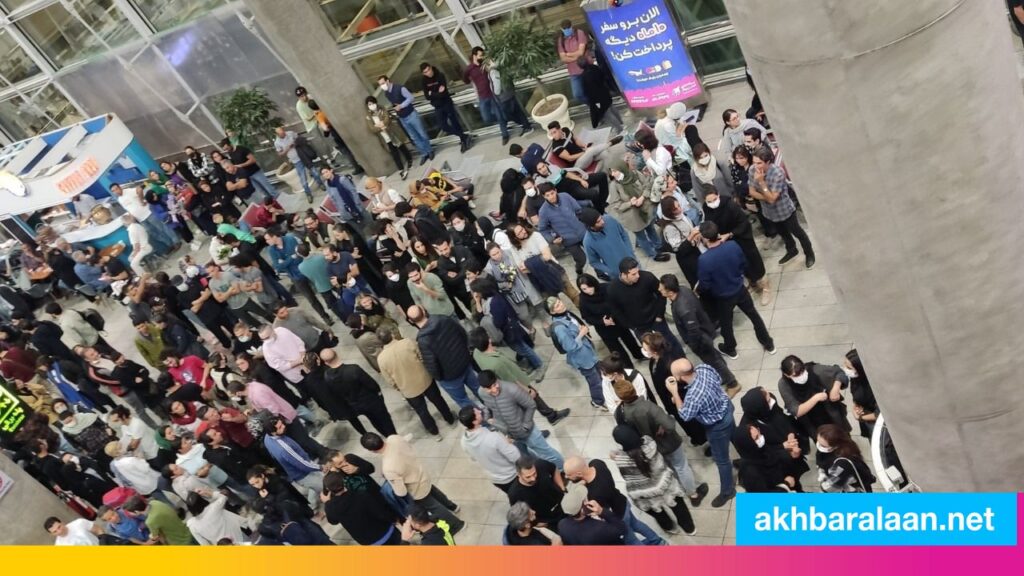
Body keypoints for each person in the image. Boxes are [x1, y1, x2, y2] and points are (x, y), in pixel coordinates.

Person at [612, 378, 707, 507]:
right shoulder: (648, 407)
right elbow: (669, 425)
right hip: (668, 444)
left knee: (669, 467)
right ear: (633, 389)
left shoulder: (623, 413)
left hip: (650, 449)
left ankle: (678, 490)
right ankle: (693, 494)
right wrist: (670, 419)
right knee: (681, 467)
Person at [696, 221, 776, 358]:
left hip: (722, 296)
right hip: (739, 288)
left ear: (706, 238)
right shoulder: (733, 246)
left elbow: (705, 285)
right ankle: (768, 343)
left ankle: (730, 348)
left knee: (726, 323)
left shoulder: (704, 260)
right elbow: (744, 264)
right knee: (754, 316)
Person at [360, 432, 464, 534]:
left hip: (416, 488)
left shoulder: (388, 467)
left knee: (434, 507)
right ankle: (453, 506)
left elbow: (401, 492)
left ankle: (458, 525)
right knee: (434, 492)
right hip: (421, 472)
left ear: (371, 450)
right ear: (380, 437)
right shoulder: (394, 438)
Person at [665, 359, 736, 507]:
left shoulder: (694, 396)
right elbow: (718, 379)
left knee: (722, 461)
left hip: (717, 426)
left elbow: (685, 415)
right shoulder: (704, 367)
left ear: (679, 377)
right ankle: (746, 457)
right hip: (727, 407)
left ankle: (728, 491)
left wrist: (675, 393)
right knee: (734, 434)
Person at [469, 327, 568, 425]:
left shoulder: (477, 353)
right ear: (488, 339)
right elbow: (512, 380)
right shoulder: (496, 363)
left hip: (506, 385)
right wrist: (528, 390)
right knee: (532, 399)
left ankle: (546, 418)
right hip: (517, 385)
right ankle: (550, 417)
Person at [610, 424, 696, 535]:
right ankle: (689, 528)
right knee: (679, 506)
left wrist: (615, 455)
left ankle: (670, 527)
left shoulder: (621, 460)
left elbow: (623, 467)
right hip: (665, 484)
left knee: (657, 513)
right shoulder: (650, 444)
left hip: (644, 493)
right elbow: (644, 441)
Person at [658, 274, 739, 392]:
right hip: (706, 329)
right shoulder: (683, 289)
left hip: (701, 339)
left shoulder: (683, 308)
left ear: (670, 292)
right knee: (714, 356)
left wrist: (693, 345)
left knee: (713, 360)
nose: (659, 289)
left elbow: (693, 330)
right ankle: (723, 372)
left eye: (661, 288)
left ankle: (732, 383)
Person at [563, 456, 662, 545]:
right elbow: (593, 478)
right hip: (622, 502)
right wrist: (584, 481)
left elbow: (601, 511)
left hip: (618, 515)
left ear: (579, 473)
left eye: (569, 475)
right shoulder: (597, 463)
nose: (566, 477)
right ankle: (658, 541)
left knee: (630, 540)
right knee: (637, 524)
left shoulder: (595, 494)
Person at [376, 326, 454, 438]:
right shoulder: (407, 342)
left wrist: (399, 388)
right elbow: (422, 357)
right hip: (425, 380)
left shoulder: (381, 359)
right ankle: (449, 418)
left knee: (422, 411)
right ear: (392, 334)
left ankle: (435, 432)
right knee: (438, 400)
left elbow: (389, 380)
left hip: (408, 389)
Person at [478, 370, 565, 469]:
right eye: (489, 388)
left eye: (495, 384)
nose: (494, 389)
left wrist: (526, 426)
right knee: (525, 457)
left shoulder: (512, 389)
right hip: (510, 435)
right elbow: (488, 406)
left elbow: (531, 405)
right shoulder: (481, 392)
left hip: (528, 432)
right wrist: (487, 417)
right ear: (483, 388)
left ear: (497, 379)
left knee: (547, 454)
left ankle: (563, 470)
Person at [747, 147, 815, 268]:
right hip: (769, 211)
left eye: (759, 163)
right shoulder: (753, 170)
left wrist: (762, 183)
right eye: (754, 162)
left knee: (798, 232)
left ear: (768, 162)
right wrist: (766, 196)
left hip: (785, 210)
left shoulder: (777, 173)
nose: (755, 166)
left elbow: (773, 199)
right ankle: (791, 250)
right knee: (783, 233)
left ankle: (809, 253)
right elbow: (752, 192)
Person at [701, 187, 771, 304]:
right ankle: (752, 283)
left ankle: (765, 287)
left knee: (753, 261)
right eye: (709, 202)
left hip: (741, 238)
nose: (712, 203)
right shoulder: (706, 208)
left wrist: (729, 234)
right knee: (740, 264)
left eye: (714, 199)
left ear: (718, 195)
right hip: (727, 242)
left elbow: (744, 223)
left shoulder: (730, 205)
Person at [733, 387, 809, 493]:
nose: (772, 401)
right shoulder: (748, 431)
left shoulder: (769, 406)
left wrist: (790, 437)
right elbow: (762, 452)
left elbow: (783, 419)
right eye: (768, 401)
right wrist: (786, 485)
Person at [606, 258, 685, 356]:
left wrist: (659, 315)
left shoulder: (647, 277)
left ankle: (682, 361)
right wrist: (631, 326)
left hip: (656, 320)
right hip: (639, 328)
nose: (638, 276)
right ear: (623, 274)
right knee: (653, 351)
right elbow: (615, 310)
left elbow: (661, 294)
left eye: (638, 272)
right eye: (633, 274)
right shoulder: (613, 289)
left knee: (670, 343)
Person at [408, 305, 480, 409]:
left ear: (411, 321)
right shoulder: (444, 319)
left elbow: (432, 364)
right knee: (478, 389)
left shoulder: (423, 341)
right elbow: (462, 333)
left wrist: (439, 378)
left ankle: (482, 421)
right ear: (424, 311)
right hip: (464, 362)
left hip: (449, 377)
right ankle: (494, 410)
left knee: (463, 400)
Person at [320, 347, 397, 436]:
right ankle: (395, 437)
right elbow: (371, 384)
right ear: (337, 354)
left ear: (326, 362)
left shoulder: (327, 376)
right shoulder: (353, 369)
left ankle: (386, 436)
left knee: (374, 420)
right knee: (385, 420)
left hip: (356, 405)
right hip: (371, 400)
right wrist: (378, 393)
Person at [547, 296, 605, 410]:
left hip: (588, 351)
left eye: (560, 302)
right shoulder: (560, 328)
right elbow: (570, 347)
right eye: (557, 305)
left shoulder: (567, 314)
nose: (562, 305)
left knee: (599, 373)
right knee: (595, 381)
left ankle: (604, 393)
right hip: (582, 358)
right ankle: (598, 401)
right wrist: (582, 333)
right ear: (552, 312)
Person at [463, 47, 529, 145]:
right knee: (487, 118)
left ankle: (505, 134)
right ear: (474, 56)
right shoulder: (469, 69)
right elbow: (465, 79)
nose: (482, 57)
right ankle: (506, 120)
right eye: (480, 55)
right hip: (482, 96)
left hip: (493, 94)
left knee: (500, 114)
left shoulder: (486, 65)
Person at [607, 156, 666, 262]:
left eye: (615, 171)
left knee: (650, 228)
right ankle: (652, 254)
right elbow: (615, 205)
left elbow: (647, 185)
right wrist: (630, 203)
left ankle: (659, 246)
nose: (613, 174)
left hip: (645, 208)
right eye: (611, 172)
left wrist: (642, 197)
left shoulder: (635, 174)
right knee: (641, 236)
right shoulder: (614, 186)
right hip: (632, 216)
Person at [576, 274, 643, 366]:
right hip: (604, 329)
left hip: (618, 321)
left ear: (594, 284)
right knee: (617, 351)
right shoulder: (583, 300)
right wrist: (602, 321)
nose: (588, 291)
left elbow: (617, 302)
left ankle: (638, 354)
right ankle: (628, 367)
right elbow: (587, 317)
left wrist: (613, 315)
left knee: (630, 340)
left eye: (589, 287)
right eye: (584, 289)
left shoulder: (606, 288)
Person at [777, 355, 851, 438]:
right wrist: (816, 398)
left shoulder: (816, 370)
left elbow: (839, 372)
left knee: (843, 435)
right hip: (811, 421)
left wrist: (836, 387)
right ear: (787, 375)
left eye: (802, 371)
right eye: (796, 375)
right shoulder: (784, 385)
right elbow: (797, 411)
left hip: (830, 413)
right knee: (822, 440)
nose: (801, 376)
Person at [321, 471, 402, 545]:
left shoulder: (331, 507)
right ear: (343, 482)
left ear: (328, 489)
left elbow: (333, 521)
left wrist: (327, 503)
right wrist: (393, 519)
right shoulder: (361, 495)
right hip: (388, 533)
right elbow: (380, 512)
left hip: (370, 542)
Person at [263, 415, 324, 508]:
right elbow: (302, 464)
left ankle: (313, 504)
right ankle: (313, 508)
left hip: (296, 471)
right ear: (273, 432)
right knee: (325, 485)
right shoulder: (284, 448)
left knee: (315, 484)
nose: (283, 426)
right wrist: (320, 467)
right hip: (304, 472)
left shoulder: (267, 438)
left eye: (282, 424)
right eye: (279, 427)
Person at [458, 406, 521, 492]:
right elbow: (515, 456)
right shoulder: (493, 437)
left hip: (496, 479)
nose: (480, 412)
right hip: (512, 475)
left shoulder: (463, 441)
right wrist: (507, 443)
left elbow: (473, 458)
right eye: (477, 413)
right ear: (475, 421)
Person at [378, 75, 433, 165]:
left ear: (388, 81)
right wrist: (396, 107)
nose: (382, 86)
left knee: (422, 133)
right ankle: (424, 153)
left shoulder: (399, 88)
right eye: (380, 85)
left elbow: (411, 98)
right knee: (414, 137)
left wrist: (401, 106)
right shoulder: (387, 93)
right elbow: (394, 103)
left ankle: (429, 150)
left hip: (411, 114)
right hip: (402, 117)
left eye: (383, 83)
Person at [110, 183, 179, 254]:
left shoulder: (128, 191)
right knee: (154, 233)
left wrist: (141, 200)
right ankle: (170, 244)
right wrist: (132, 218)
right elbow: (128, 209)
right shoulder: (120, 199)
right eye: (113, 191)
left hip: (148, 213)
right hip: (140, 219)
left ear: (120, 187)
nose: (116, 191)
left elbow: (139, 189)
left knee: (162, 227)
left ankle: (176, 241)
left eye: (116, 189)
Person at [537, 185, 588, 276]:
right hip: (568, 240)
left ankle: (601, 273)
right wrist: (552, 239)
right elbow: (543, 229)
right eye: (547, 195)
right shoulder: (543, 211)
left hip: (582, 232)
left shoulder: (565, 196)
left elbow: (578, 210)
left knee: (594, 253)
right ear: (544, 196)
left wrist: (585, 223)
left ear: (556, 191)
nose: (551, 197)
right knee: (581, 259)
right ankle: (578, 268)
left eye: (552, 193)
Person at [421, 62, 472, 152]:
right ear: (423, 73)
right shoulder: (424, 81)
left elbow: (443, 93)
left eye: (428, 70)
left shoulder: (440, 76)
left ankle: (463, 141)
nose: (428, 73)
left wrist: (432, 93)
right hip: (437, 106)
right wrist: (436, 93)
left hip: (446, 103)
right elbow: (427, 96)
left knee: (454, 122)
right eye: (425, 72)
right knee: (443, 126)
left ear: (431, 67)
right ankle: (464, 136)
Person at [508, 455, 567, 529]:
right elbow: (519, 513)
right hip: (547, 518)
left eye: (534, 473)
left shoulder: (540, 464)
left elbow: (554, 469)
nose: (533, 478)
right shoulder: (514, 493)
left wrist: (562, 487)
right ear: (518, 475)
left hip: (563, 502)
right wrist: (536, 523)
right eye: (528, 477)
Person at [557, 482, 626, 545]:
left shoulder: (562, 524)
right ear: (582, 509)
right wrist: (602, 511)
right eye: (584, 499)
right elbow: (622, 529)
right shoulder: (599, 528)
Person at [816, 424, 875, 492]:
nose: (819, 446)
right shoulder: (844, 446)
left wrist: (823, 481)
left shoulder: (842, 463)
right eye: (818, 441)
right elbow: (820, 460)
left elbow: (830, 488)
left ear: (835, 445)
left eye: (823, 445)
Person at [579, 208, 635, 280]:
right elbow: (594, 262)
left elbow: (624, 234)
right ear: (591, 226)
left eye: (601, 218)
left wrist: (630, 252)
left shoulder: (609, 219)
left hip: (632, 262)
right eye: (598, 222)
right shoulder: (588, 242)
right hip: (618, 274)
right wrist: (611, 271)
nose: (602, 222)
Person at [365, 96, 413, 179]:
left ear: (375, 103)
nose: (371, 105)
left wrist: (381, 124)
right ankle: (401, 170)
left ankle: (409, 159)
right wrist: (380, 127)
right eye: (369, 104)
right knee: (394, 153)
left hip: (391, 132)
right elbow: (372, 128)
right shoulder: (368, 116)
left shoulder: (382, 108)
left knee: (401, 146)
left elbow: (387, 119)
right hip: (384, 137)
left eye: (372, 103)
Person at [273, 126, 322, 202]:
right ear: (278, 135)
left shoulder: (290, 133)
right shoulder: (277, 143)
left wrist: (296, 143)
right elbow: (280, 154)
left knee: (315, 172)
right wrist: (287, 148)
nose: (284, 134)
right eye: (281, 134)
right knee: (303, 179)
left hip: (303, 156)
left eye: (283, 132)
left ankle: (320, 183)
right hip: (296, 161)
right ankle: (308, 194)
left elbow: (300, 138)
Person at [432, 238, 476, 321]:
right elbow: (451, 281)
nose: (444, 252)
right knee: (474, 311)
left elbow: (473, 261)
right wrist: (466, 269)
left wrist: (459, 275)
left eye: (445, 249)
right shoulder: (441, 263)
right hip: (462, 292)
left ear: (449, 245)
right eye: (441, 251)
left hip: (475, 283)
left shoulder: (461, 249)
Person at [547, 120, 619, 171]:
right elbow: (570, 158)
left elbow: (576, 140)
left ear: (559, 129)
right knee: (590, 151)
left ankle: (612, 173)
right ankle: (609, 143)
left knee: (605, 153)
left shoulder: (566, 130)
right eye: (551, 133)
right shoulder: (556, 146)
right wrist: (583, 153)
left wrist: (584, 146)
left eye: (554, 132)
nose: (553, 135)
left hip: (585, 156)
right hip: (577, 164)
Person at [579, 57, 622, 131]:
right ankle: (621, 122)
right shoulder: (595, 67)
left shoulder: (583, 77)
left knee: (607, 113)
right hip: (605, 92)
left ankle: (619, 129)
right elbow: (603, 77)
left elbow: (587, 91)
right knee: (612, 107)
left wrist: (593, 102)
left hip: (597, 99)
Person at [556, 19, 594, 103]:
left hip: (586, 67)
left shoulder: (579, 33)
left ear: (571, 26)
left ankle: (597, 104)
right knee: (577, 94)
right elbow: (563, 58)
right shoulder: (561, 40)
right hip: (574, 72)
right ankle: (592, 105)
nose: (567, 31)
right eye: (564, 29)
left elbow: (581, 52)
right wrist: (576, 57)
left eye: (568, 28)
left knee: (593, 90)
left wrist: (568, 54)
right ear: (561, 29)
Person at [844, 349, 879, 438]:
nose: (845, 369)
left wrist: (860, 418)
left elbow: (880, 414)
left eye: (849, 367)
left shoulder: (874, 387)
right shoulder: (856, 377)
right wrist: (855, 405)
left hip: (874, 420)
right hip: (864, 412)